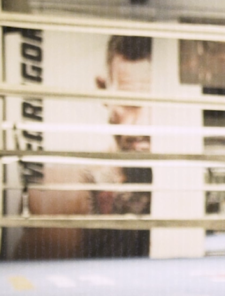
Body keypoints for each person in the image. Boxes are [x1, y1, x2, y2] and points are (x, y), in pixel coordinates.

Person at [13, 35, 152, 259]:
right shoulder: (65, 190)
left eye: (158, 107)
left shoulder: (184, 187)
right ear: (103, 90)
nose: (144, 125)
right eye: (130, 104)